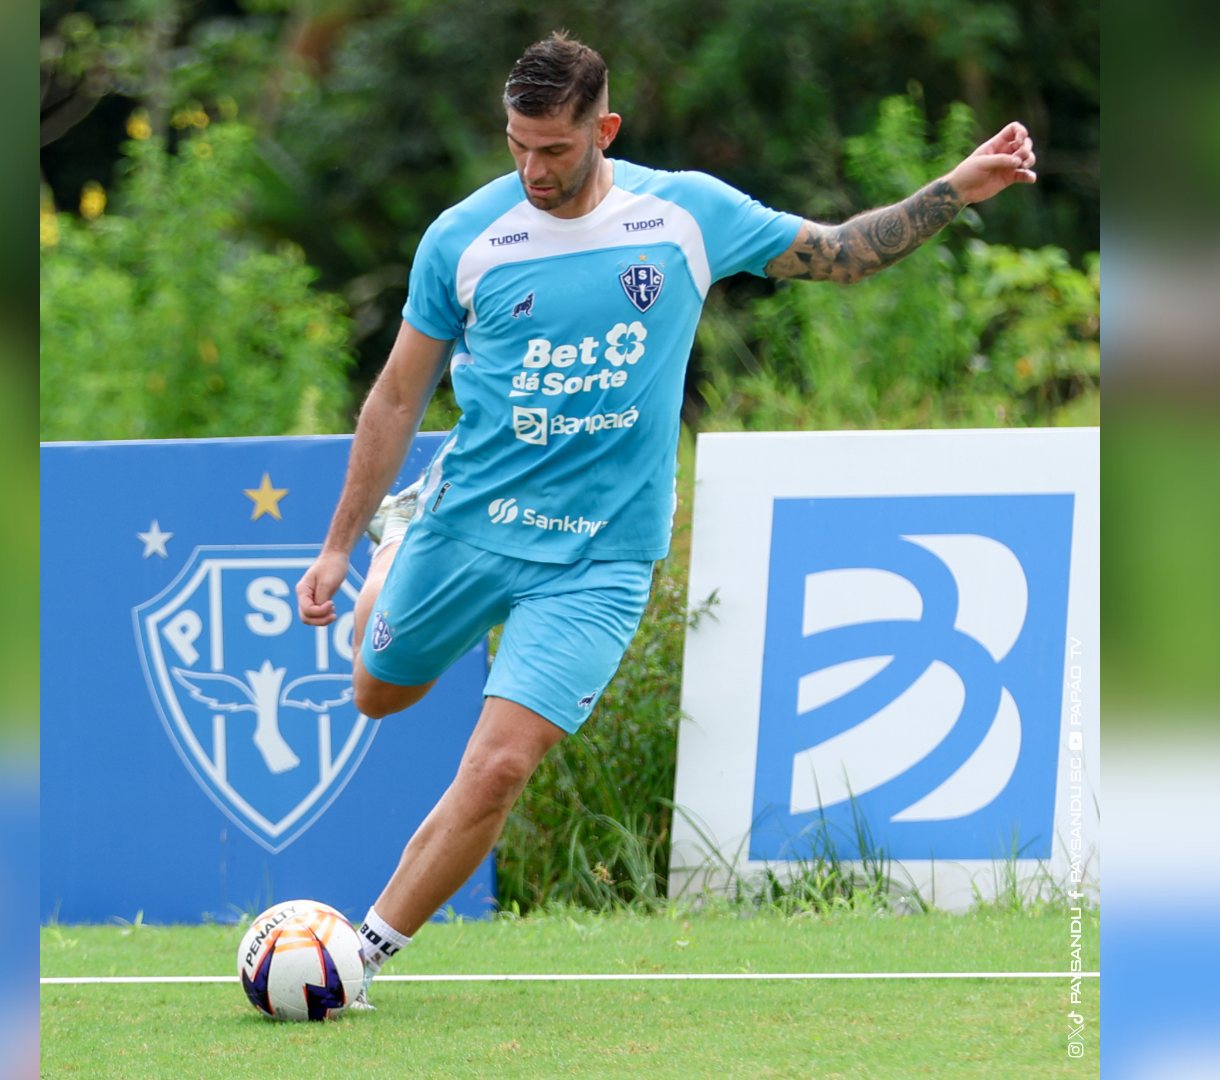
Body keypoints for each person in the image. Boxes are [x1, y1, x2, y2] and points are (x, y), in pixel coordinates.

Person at [295, 31, 1037, 1006]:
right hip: (466, 526)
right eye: (517, 145)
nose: (533, 169)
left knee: (502, 765)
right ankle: (400, 548)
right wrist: (343, 544)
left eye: (554, 150)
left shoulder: (686, 214)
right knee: (377, 698)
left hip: (600, 558)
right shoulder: (462, 240)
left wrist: (951, 190)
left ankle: (357, 957)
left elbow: (842, 255)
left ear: (603, 129)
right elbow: (397, 398)